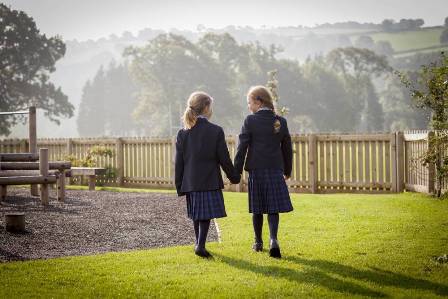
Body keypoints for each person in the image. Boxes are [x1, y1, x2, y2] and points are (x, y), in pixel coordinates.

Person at [175, 91, 240, 258]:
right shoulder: (216, 130)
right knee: (205, 215)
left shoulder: (183, 132)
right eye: (210, 106)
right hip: (209, 180)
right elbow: (224, 158)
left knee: (197, 214)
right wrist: (234, 177)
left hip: (190, 181)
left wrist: (179, 186)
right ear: (205, 108)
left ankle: (199, 243)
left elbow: (179, 163)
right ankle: (200, 246)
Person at [234, 85, 293, 258]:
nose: (248, 106)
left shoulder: (250, 120)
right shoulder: (280, 121)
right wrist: (287, 170)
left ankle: (258, 242)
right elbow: (287, 148)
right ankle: (273, 240)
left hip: (257, 170)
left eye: (249, 102)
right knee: (273, 207)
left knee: (257, 208)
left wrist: (236, 172)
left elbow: (242, 147)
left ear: (259, 101)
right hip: (275, 169)